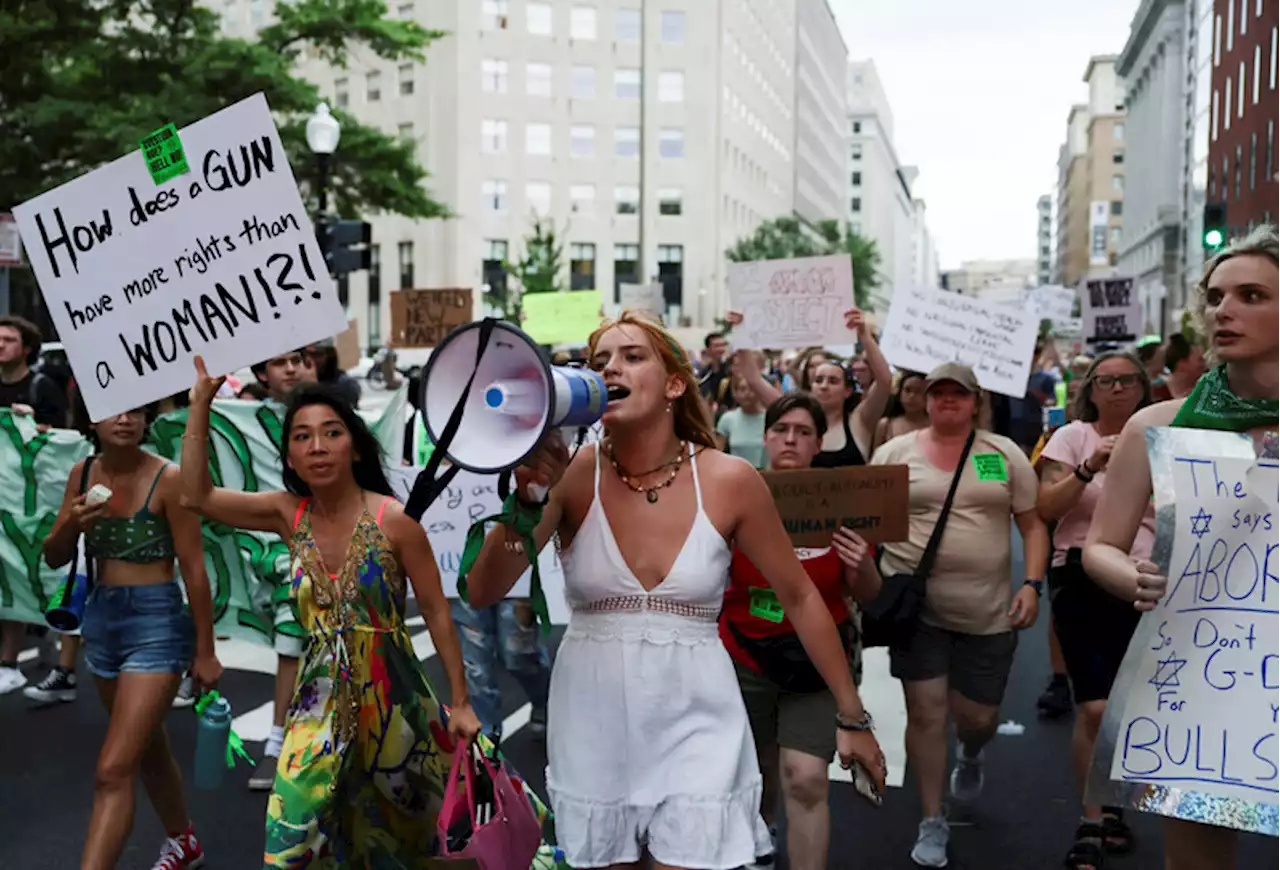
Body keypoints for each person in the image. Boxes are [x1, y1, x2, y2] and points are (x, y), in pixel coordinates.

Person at [462, 312, 886, 870]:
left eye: (633, 357)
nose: (611, 368)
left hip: (698, 711)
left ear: (675, 384)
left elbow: (801, 596)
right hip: (593, 713)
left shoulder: (730, 479)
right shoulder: (571, 474)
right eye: (600, 362)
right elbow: (486, 588)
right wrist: (530, 501)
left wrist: (852, 716)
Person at [182, 364, 559, 866]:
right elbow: (196, 496)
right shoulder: (284, 513)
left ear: (354, 446)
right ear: (290, 454)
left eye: (331, 433)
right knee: (291, 840)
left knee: (407, 836)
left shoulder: (393, 520)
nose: (317, 446)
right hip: (317, 706)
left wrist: (461, 702)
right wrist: (199, 406)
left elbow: (436, 612)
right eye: (303, 436)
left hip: (393, 703)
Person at [1084, 225, 1280, 870]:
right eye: (1216, 296)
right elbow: (1100, 546)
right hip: (1203, 675)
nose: (1225, 309)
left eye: (1252, 294)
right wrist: (1126, 574)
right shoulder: (1157, 426)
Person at [870, 362, 1049, 868]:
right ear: (925, 400)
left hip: (987, 614)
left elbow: (1033, 526)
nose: (948, 401)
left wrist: (1032, 585)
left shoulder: (1004, 454)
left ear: (976, 401)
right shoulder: (893, 453)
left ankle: (971, 751)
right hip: (917, 613)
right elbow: (867, 524)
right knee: (926, 714)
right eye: (938, 393)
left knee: (977, 718)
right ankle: (932, 819)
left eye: (958, 394)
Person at [42, 400, 220, 870]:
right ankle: (183, 842)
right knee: (146, 744)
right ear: (90, 420)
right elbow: (54, 556)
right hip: (101, 620)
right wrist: (70, 524)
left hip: (157, 622)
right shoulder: (82, 473)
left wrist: (205, 651)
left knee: (112, 769)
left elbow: (194, 567)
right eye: (113, 410)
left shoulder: (169, 477)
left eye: (136, 411)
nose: (125, 419)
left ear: (147, 420)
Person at [721, 393, 883, 870]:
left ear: (819, 444)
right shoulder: (733, 495)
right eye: (782, 430)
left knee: (807, 776)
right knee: (756, 771)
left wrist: (859, 565)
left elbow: (869, 593)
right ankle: (760, 835)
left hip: (817, 660)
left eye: (804, 432)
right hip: (744, 654)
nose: (791, 439)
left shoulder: (840, 503)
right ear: (767, 438)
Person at [1036, 351, 1154, 870]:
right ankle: (1091, 816)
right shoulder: (1071, 438)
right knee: (1096, 707)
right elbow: (1046, 508)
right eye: (1106, 381)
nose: (1117, 389)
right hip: (1081, 572)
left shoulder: (1165, 435)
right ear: (1090, 388)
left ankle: (1115, 805)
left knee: (1130, 709)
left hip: (1149, 578)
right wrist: (1089, 468)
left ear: (1143, 387)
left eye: (1128, 381)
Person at [243, 349, 309, 790]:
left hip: (334, 542)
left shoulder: (331, 413)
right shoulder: (238, 422)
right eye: (279, 361)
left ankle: (283, 742)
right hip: (274, 549)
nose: (291, 368)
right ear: (260, 372)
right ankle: (278, 742)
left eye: (298, 359)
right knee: (290, 640)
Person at [0, 315, 69, 695]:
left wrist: (35, 428)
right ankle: (12, 657)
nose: (0, 346)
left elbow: (63, 440)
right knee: (6, 577)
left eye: (8, 340)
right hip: (1, 499)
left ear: (26, 348)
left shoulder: (42, 387)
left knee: (29, 574)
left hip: (33, 502)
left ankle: (31, 642)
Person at [805, 311, 892, 468]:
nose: (824, 386)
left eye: (833, 381)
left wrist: (864, 335)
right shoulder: (797, 424)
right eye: (818, 380)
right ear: (811, 388)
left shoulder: (859, 421)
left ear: (847, 391)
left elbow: (885, 382)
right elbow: (755, 381)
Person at [716, 356, 771, 469]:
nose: (747, 394)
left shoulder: (770, 417)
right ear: (735, 394)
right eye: (742, 389)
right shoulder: (728, 419)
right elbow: (718, 453)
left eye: (751, 389)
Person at [873, 370, 928, 453]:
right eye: (907, 390)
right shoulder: (885, 425)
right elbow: (875, 461)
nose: (911, 396)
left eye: (918, 391)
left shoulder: (937, 426)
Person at [1155, 333, 1206, 401]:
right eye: (1200, 360)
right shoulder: (1156, 392)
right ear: (1182, 363)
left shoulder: (1205, 392)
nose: (1204, 364)